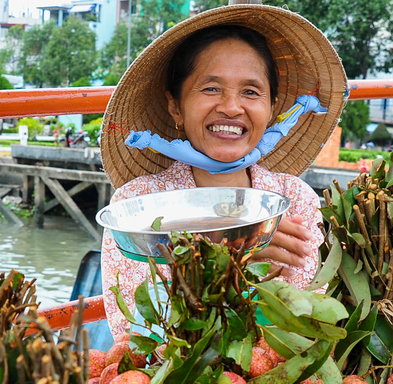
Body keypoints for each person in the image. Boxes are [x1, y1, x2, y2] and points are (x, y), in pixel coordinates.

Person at [99, 4, 347, 338]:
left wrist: (278, 283)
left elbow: (313, 328)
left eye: (250, 92)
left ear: (272, 108)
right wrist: (229, 260)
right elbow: (139, 338)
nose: (231, 107)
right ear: (176, 106)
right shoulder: (138, 205)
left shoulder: (295, 200)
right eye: (211, 88)